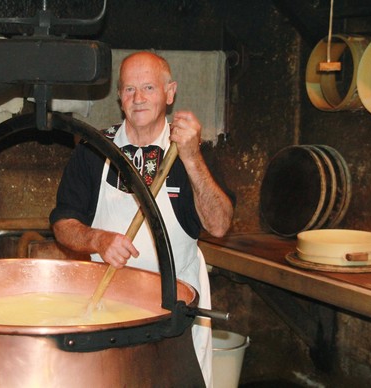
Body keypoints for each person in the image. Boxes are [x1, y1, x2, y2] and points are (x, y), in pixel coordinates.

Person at [50, 51, 234, 386]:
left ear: (170, 92)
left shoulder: (193, 151)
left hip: (175, 307)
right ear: (119, 96)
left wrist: (191, 160)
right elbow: (63, 224)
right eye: (129, 89)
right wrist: (97, 240)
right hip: (109, 305)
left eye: (148, 87)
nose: (138, 98)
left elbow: (219, 225)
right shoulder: (93, 150)